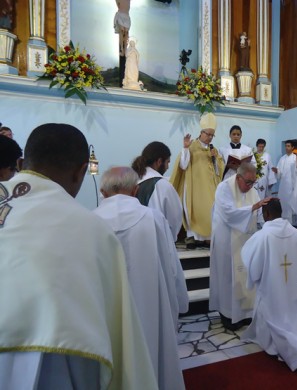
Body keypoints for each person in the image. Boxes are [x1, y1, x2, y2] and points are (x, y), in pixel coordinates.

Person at [0, 123, 157, 389]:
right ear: (82, 171)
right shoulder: (91, 229)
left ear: (22, 162)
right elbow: (118, 334)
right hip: (51, 363)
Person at [94, 166, 187, 390]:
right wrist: (178, 301)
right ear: (135, 190)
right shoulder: (153, 218)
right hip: (150, 310)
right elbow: (172, 268)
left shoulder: (89, 221)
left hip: (104, 318)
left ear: (103, 193)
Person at [241, 199, 297, 371]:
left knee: (271, 311)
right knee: (293, 316)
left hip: (271, 291)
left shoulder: (262, 236)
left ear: (266, 214)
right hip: (293, 289)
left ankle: (276, 342)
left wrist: (254, 278)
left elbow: (253, 265)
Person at [209, 163, 271, 331]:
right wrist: (253, 207)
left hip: (246, 241)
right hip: (227, 241)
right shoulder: (224, 188)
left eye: (253, 182)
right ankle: (228, 315)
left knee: (245, 278)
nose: (250, 186)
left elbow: (258, 215)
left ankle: (245, 315)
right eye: (248, 182)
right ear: (238, 177)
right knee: (228, 277)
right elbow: (229, 213)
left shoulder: (252, 190)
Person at [171, 113, 225, 249]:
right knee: (194, 210)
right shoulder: (192, 146)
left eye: (212, 135)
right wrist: (185, 148)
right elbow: (183, 165)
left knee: (210, 211)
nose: (210, 137)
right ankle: (192, 238)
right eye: (208, 134)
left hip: (210, 188)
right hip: (194, 187)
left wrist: (216, 159)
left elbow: (219, 171)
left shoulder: (214, 150)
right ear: (201, 132)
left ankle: (207, 239)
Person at [132, 141, 183, 243]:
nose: (168, 167)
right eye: (167, 162)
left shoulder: (130, 181)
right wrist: (170, 239)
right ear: (159, 161)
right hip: (157, 242)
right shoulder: (162, 185)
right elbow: (175, 218)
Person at [272, 140, 297, 222]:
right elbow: (279, 173)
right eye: (286, 146)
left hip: (292, 185)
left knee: (291, 203)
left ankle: (292, 222)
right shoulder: (282, 159)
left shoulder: (295, 158)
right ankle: (282, 221)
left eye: (288, 146)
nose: (286, 147)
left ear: (293, 147)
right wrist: (276, 171)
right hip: (283, 185)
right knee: (282, 202)